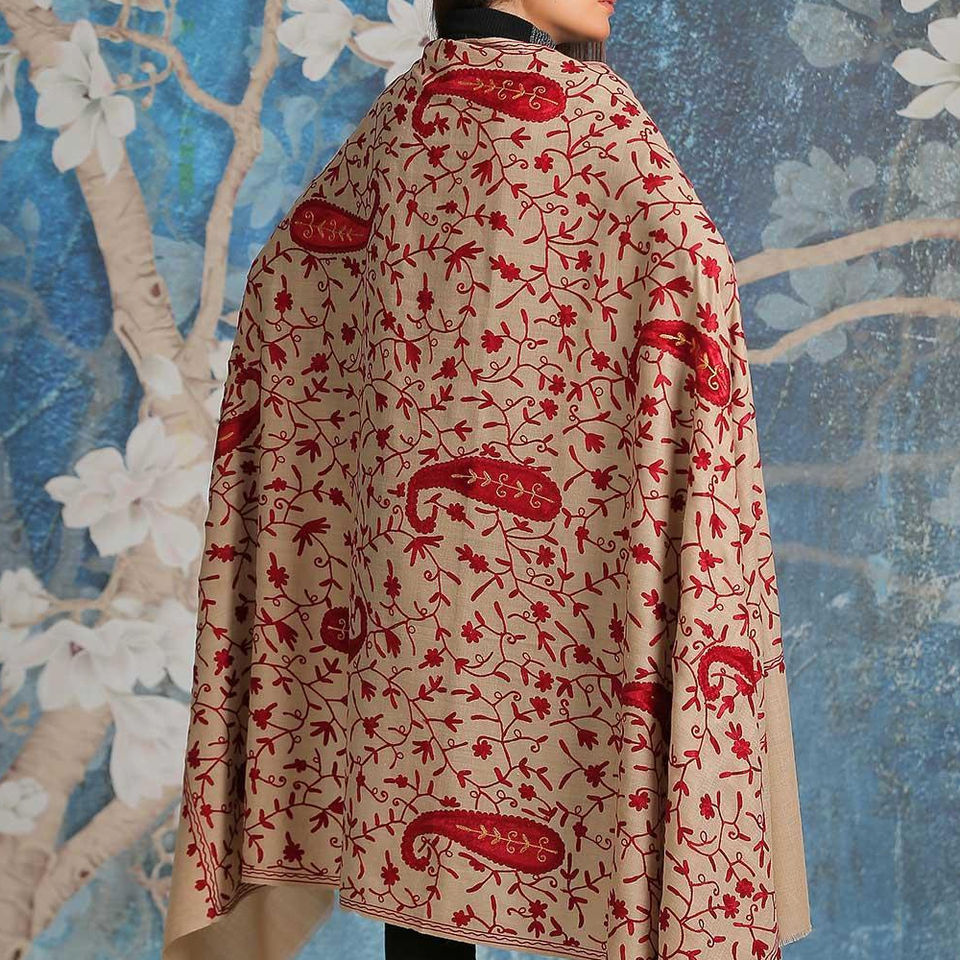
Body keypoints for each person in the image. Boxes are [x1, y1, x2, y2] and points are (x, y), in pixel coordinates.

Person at [162, 2, 813, 959]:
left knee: (408, 816)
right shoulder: (599, 125)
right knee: (602, 809)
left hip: (402, 624)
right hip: (573, 608)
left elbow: (284, 288)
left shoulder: (389, 136)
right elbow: (694, 274)